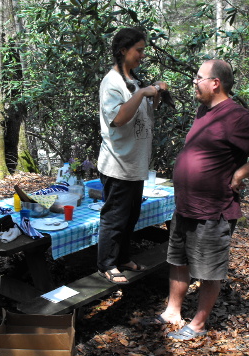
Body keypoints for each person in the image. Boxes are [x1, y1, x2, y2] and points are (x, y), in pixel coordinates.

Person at [153, 59, 249, 340]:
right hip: (186, 205)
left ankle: (198, 324)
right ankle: (173, 311)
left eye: (199, 77)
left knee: (209, 270)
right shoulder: (203, 110)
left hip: (214, 209)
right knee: (177, 260)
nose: (194, 82)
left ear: (215, 83)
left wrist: (240, 174)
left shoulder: (237, 116)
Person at [97, 27, 168, 284]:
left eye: (143, 50)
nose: (142, 55)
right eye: (138, 50)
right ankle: (106, 264)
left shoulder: (134, 81)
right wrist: (141, 93)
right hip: (117, 164)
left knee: (131, 218)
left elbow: (146, 113)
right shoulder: (112, 83)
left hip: (135, 164)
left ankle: (123, 258)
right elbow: (117, 119)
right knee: (115, 218)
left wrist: (155, 93)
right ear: (123, 50)